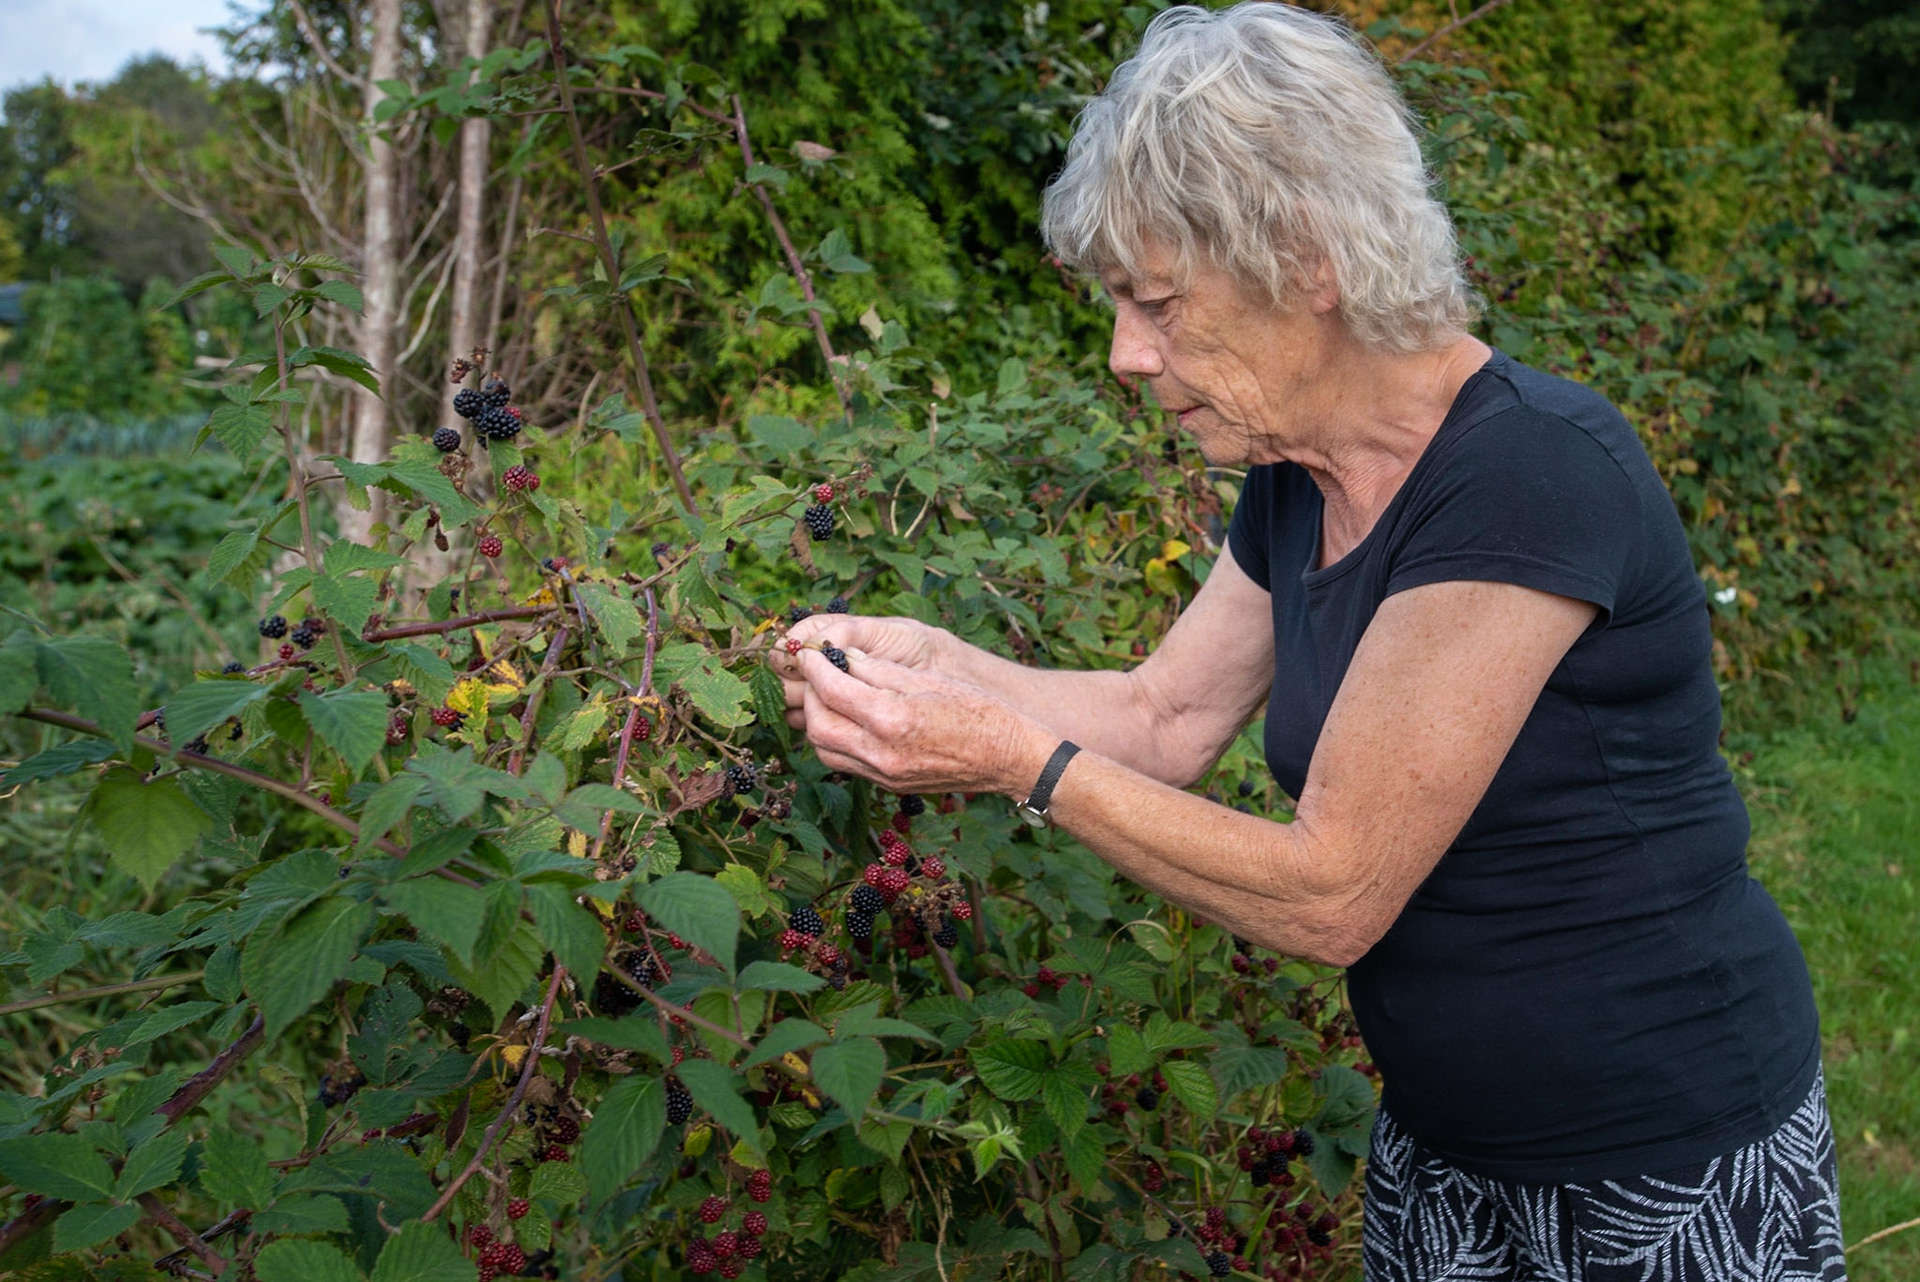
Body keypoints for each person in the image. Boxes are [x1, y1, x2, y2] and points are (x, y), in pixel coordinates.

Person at [772, 5, 1845, 1278]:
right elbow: (1165, 716)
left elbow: (1334, 888)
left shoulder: (1529, 476)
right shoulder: (1298, 476)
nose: (1126, 355)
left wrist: (1015, 760)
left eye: (1159, 304)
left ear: (1307, 261)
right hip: (1446, 1150)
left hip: (1659, 1158)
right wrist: (938, 668)